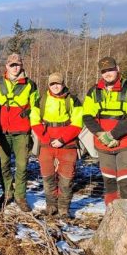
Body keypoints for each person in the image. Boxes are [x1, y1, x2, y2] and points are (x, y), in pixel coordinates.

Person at [83, 57, 127, 205]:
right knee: (109, 183)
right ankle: (111, 214)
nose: (107, 73)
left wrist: (112, 135)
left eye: (110, 69)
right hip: (104, 144)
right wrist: (101, 135)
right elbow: (87, 116)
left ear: (117, 68)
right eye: (104, 71)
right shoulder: (94, 91)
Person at [0, 53, 40, 212]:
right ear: (7, 66)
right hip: (2, 132)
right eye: (12, 65)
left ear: (21, 65)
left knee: (22, 165)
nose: (15, 68)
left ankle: (20, 196)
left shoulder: (30, 85)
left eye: (17, 65)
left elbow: (36, 109)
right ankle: (7, 193)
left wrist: (36, 131)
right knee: (4, 165)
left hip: (22, 132)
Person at [31, 72, 83, 218]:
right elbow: (34, 121)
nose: (55, 86)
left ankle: (64, 208)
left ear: (63, 84)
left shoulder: (73, 100)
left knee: (66, 177)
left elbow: (78, 123)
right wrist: (46, 138)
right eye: (52, 84)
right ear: (48, 85)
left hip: (67, 144)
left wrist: (62, 139)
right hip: (46, 143)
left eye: (58, 83)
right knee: (48, 176)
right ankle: (51, 206)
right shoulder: (40, 100)